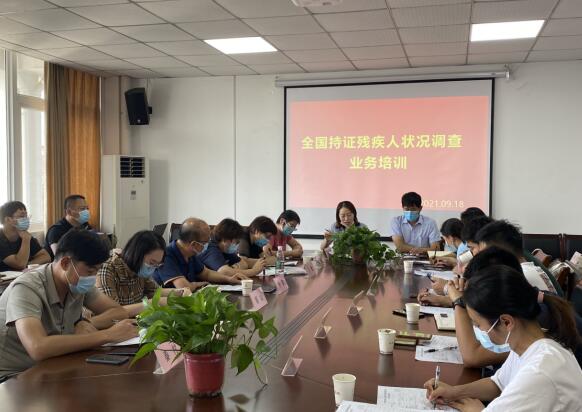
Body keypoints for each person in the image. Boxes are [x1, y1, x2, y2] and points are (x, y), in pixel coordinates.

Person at [425, 266, 582, 411]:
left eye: (478, 324)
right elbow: (498, 384)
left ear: (506, 322)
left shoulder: (540, 372)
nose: (480, 330)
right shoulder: (528, 344)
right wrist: (455, 392)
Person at [0, 229, 137, 381]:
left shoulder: (76, 283)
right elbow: (38, 347)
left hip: (53, 365)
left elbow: (117, 312)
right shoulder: (27, 288)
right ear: (65, 263)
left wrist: (86, 322)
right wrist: (107, 335)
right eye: (90, 271)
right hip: (13, 377)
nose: (93, 277)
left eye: (96, 271)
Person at [96, 230, 191, 317]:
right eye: (152, 263)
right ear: (137, 254)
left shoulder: (140, 271)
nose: (153, 268)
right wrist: (151, 304)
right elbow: (112, 313)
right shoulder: (107, 269)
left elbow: (154, 291)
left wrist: (180, 292)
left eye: (157, 265)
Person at [153, 218, 247, 290]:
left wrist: (229, 279)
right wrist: (195, 284)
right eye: (205, 242)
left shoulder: (190, 253)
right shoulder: (166, 255)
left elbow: (206, 273)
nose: (208, 244)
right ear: (194, 244)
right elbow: (184, 288)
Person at [474, 220, 559, 294]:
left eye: (485, 255)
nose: (482, 260)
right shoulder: (527, 270)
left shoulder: (520, 277)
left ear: (500, 253)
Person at [198, 218, 266, 277]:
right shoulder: (210, 249)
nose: (237, 245)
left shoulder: (225, 249)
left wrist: (232, 269)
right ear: (225, 239)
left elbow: (243, 263)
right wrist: (253, 271)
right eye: (236, 242)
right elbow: (224, 272)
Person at [0, 201, 50, 271]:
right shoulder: (25, 237)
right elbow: (20, 264)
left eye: (26, 216)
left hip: (18, 275)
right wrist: (25, 240)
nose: (26, 220)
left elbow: (46, 257)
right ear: (8, 219)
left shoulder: (25, 235)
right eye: (21, 216)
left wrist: (28, 265)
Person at [44, 194, 92, 259]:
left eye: (87, 208)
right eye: (82, 209)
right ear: (69, 212)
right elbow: (60, 257)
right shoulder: (56, 230)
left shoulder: (85, 225)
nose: (86, 211)